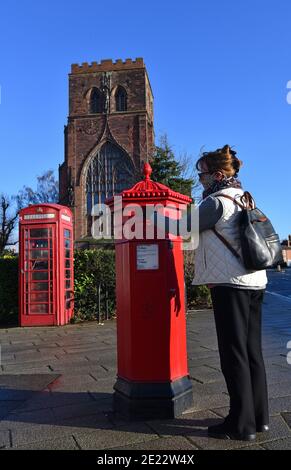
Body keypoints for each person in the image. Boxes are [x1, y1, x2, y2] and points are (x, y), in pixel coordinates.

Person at [192, 144, 269, 441]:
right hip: (255, 281)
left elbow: (184, 227)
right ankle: (258, 417)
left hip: (230, 285)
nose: (201, 180)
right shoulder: (244, 197)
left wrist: (146, 218)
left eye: (202, 175)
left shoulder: (216, 202)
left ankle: (240, 424)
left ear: (218, 174)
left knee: (232, 355)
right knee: (252, 353)